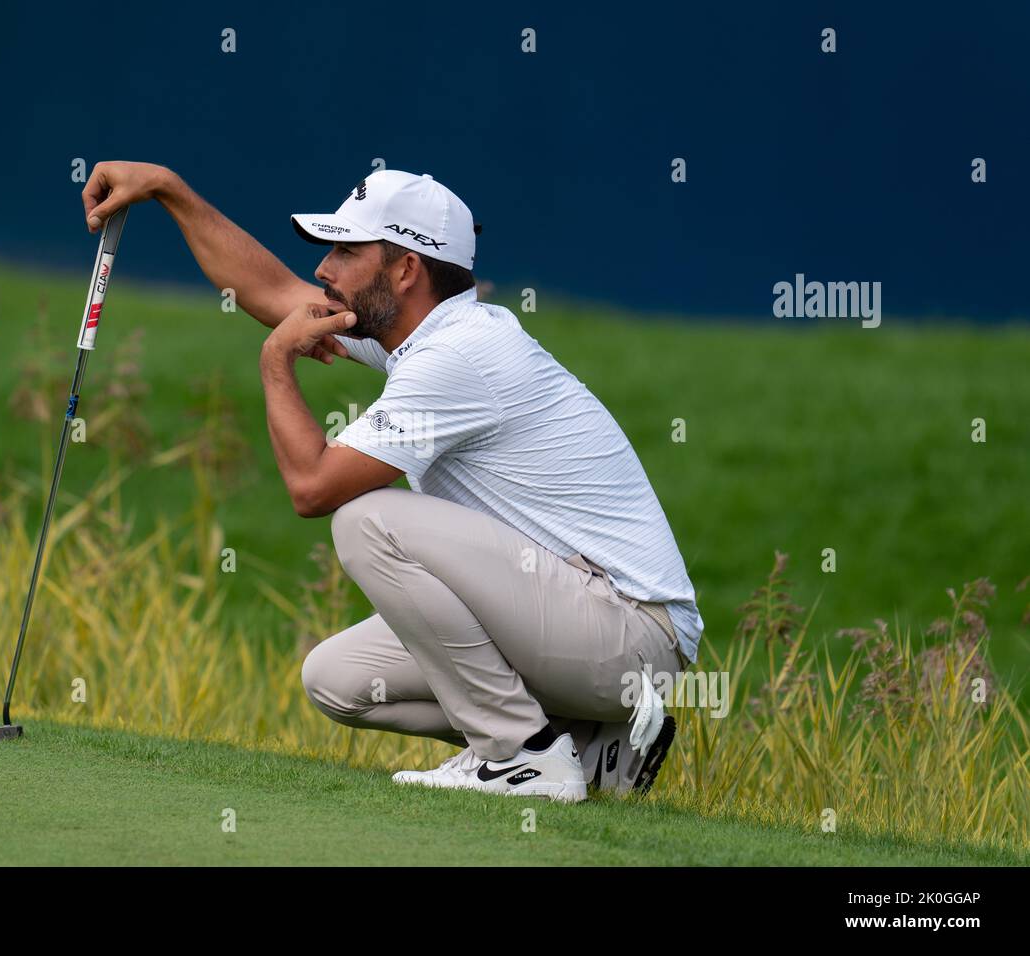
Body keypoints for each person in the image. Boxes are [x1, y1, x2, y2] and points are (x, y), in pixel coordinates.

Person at [81, 162, 703, 803]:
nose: (325, 269)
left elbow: (313, 488)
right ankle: (589, 746)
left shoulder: (458, 358)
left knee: (364, 518)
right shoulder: (428, 334)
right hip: (585, 626)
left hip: (631, 635)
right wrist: (169, 191)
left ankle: (520, 754)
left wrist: (275, 364)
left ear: (405, 269)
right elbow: (272, 291)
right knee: (337, 678)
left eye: (347, 251)